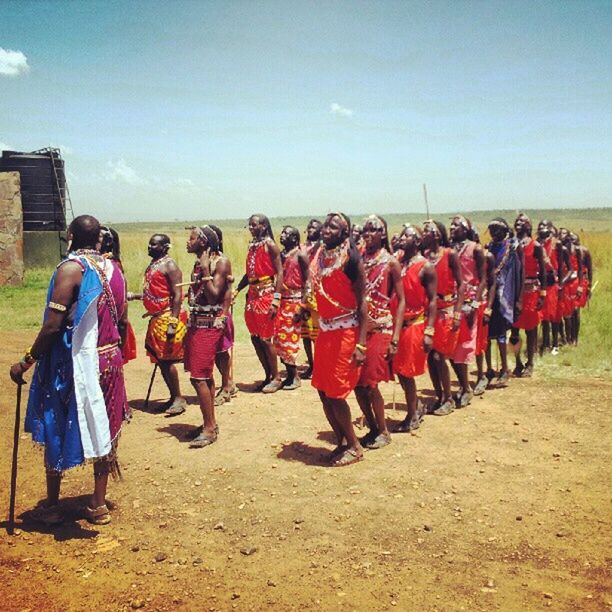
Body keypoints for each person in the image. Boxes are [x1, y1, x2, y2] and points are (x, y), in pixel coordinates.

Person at [9, 215, 129, 526]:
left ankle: (51, 505)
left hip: (74, 362)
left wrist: (26, 360)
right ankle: (98, 504)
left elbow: (52, 327)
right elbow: (122, 322)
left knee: (56, 419)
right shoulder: (115, 270)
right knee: (104, 425)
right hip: (110, 361)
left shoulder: (71, 269)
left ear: (70, 235)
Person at [311, 212, 368, 466]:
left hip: (347, 334)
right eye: (326, 225)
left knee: (336, 393)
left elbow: (362, 305)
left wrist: (361, 344)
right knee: (323, 391)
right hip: (325, 332)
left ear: (345, 233)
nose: (327, 230)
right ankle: (342, 441)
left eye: (334, 227)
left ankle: (355, 447)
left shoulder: (352, 259)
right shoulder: (320, 256)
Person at [354, 215, 404, 449]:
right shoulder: (359, 259)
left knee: (371, 383)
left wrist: (395, 337)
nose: (368, 233)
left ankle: (383, 431)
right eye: (365, 229)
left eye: (373, 229)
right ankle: (372, 427)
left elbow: (401, 300)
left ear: (382, 233)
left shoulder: (391, 262)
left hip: (381, 329)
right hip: (360, 329)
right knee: (357, 383)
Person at [184, 226, 233, 448]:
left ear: (203, 242)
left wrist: (205, 271)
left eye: (192, 238)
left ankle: (210, 428)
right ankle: (209, 422)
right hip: (197, 323)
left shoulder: (219, 263)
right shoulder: (200, 262)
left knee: (198, 377)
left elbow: (214, 295)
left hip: (209, 325)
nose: (188, 241)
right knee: (204, 375)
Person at [392, 224, 436, 432]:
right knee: (400, 371)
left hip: (414, 325)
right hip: (397, 325)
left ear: (418, 242)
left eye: (408, 236)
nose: (402, 238)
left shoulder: (426, 267)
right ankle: (416, 406)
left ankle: (412, 416)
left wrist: (429, 331)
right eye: (402, 235)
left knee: (406, 372)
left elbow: (433, 301)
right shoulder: (398, 262)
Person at [234, 214, 284, 393]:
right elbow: (249, 274)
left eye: (254, 225)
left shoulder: (269, 244)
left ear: (264, 225)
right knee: (255, 337)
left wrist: (276, 300)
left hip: (267, 295)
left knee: (266, 338)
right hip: (252, 295)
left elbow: (280, 272)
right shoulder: (252, 246)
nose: (251, 228)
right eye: (249, 225)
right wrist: (237, 290)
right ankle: (268, 376)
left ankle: (277, 377)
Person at [140, 234, 188, 415]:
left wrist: (173, 322)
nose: (149, 247)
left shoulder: (170, 266)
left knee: (168, 360)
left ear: (165, 247)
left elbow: (177, 295)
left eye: (154, 244)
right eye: (149, 243)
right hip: (157, 317)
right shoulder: (154, 265)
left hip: (168, 317)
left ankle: (178, 398)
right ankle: (172, 396)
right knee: (161, 360)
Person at [421, 220, 465, 416]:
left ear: (438, 235)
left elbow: (461, 285)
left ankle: (448, 398)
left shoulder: (450, 254)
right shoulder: (424, 258)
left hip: (447, 310)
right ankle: (438, 396)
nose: (424, 233)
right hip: (430, 312)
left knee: (440, 356)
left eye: (428, 231)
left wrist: (457, 312)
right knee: (430, 357)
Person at [449, 216, 486, 407]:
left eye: (456, 225)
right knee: (450, 349)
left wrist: (475, 304)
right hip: (452, 302)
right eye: (451, 225)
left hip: (469, 302)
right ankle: (463, 386)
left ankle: (466, 387)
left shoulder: (476, 249)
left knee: (463, 347)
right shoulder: (449, 249)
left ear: (466, 229)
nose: (452, 227)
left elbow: (484, 279)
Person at [485, 218, 523, 385]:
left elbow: (520, 273)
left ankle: (504, 369)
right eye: (491, 229)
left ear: (505, 230)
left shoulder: (513, 248)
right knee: (485, 334)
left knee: (501, 334)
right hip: (488, 294)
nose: (494, 232)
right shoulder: (489, 248)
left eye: (497, 229)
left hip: (505, 294)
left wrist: (519, 299)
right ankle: (488, 369)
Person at [509, 214, 546, 377]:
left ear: (529, 226)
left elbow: (543, 271)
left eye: (522, 221)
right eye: (517, 221)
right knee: (514, 330)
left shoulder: (535, 245)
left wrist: (543, 294)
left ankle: (530, 363)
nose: (518, 223)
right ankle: (517, 363)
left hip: (531, 291)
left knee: (531, 329)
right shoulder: (511, 243)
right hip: (513, 290)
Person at [275, 226, 309, 389]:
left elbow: (308, 282)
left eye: (287, 234)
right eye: (282, 232)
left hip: (295, 301)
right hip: (281, 301)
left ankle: (295, 376)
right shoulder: (281, 255)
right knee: (280, 339)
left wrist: (302, 306)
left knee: (290, 340)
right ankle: (289, 375)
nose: (282, 235)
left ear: (295, 239)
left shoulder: (301, 255)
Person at [208, 224, 237, 406]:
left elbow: (223, 290)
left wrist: (223, 313)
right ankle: (228, 383)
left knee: (221, 350)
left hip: (219, 311)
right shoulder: (204, 260)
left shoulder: (221, 261)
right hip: (206, 312)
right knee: (215, 352)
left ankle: (226, 387)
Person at [100, 226, 137, 364]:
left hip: (111, 328)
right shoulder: (101, 263)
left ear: (108, 242)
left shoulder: (112, 266)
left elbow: (123, 316)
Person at [537, 221, 571, 355]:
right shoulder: (537, 243)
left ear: (550, 229)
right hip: (541, 283)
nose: (542, 228)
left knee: (554, 315)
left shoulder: (557, 244)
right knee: (543, 316)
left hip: (553, 283)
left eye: (545, 226)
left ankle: (555, 344)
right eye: (540, 226)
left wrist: (561, 283)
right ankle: (545, 344)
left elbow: (568, 268)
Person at [473, 230, 496, 396]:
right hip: (466, 304)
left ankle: (483, 373)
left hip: (480, 303)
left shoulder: (487, 256)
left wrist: (489, 307)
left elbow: (492, 283)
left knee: (481, 342)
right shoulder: (459, 257)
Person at [300, 219, 322, 379]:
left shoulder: (323, 249)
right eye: (309, 227)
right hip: (303, 294)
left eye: (315, 227)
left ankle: (320, 366)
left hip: (318, 294)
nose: (311, 229)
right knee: (306, 334)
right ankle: (311, 364)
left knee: (318, 334)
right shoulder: (302, 248)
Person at [559, 228, 582, 345]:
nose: (561, 235)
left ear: (568, 236)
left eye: (564, 233)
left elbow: (581, 270)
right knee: (565, 313)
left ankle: (575, 338)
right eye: (560, 233)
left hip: (574, 283)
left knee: (575, 311)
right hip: (563, 284)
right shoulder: (559, 249)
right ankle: (567, 338)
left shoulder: (576, 249)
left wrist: (581, 285)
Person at [573, 232, 592, 343]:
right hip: (570, 283)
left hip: (582, 282)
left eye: (574, 239)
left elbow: (589, 269)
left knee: (576, 310)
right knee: (569, 312)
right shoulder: (567, 251)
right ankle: (570, 336)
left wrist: (589, 285)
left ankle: (575, 337)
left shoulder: (584, 251)